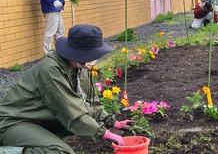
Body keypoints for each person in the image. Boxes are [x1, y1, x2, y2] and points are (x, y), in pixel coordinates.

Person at [0, 24, 133, 153]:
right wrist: (105, 134)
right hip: (14, 122)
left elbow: (90, 102)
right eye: (92, 55)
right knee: (59, 151)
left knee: (72, 127)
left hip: (38, 119)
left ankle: (40, 139)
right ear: (78, 53)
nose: (95, 59)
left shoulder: (79, 66)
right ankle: (10, 151)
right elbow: (69, 110)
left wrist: (113, 123)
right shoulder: (51, 70)